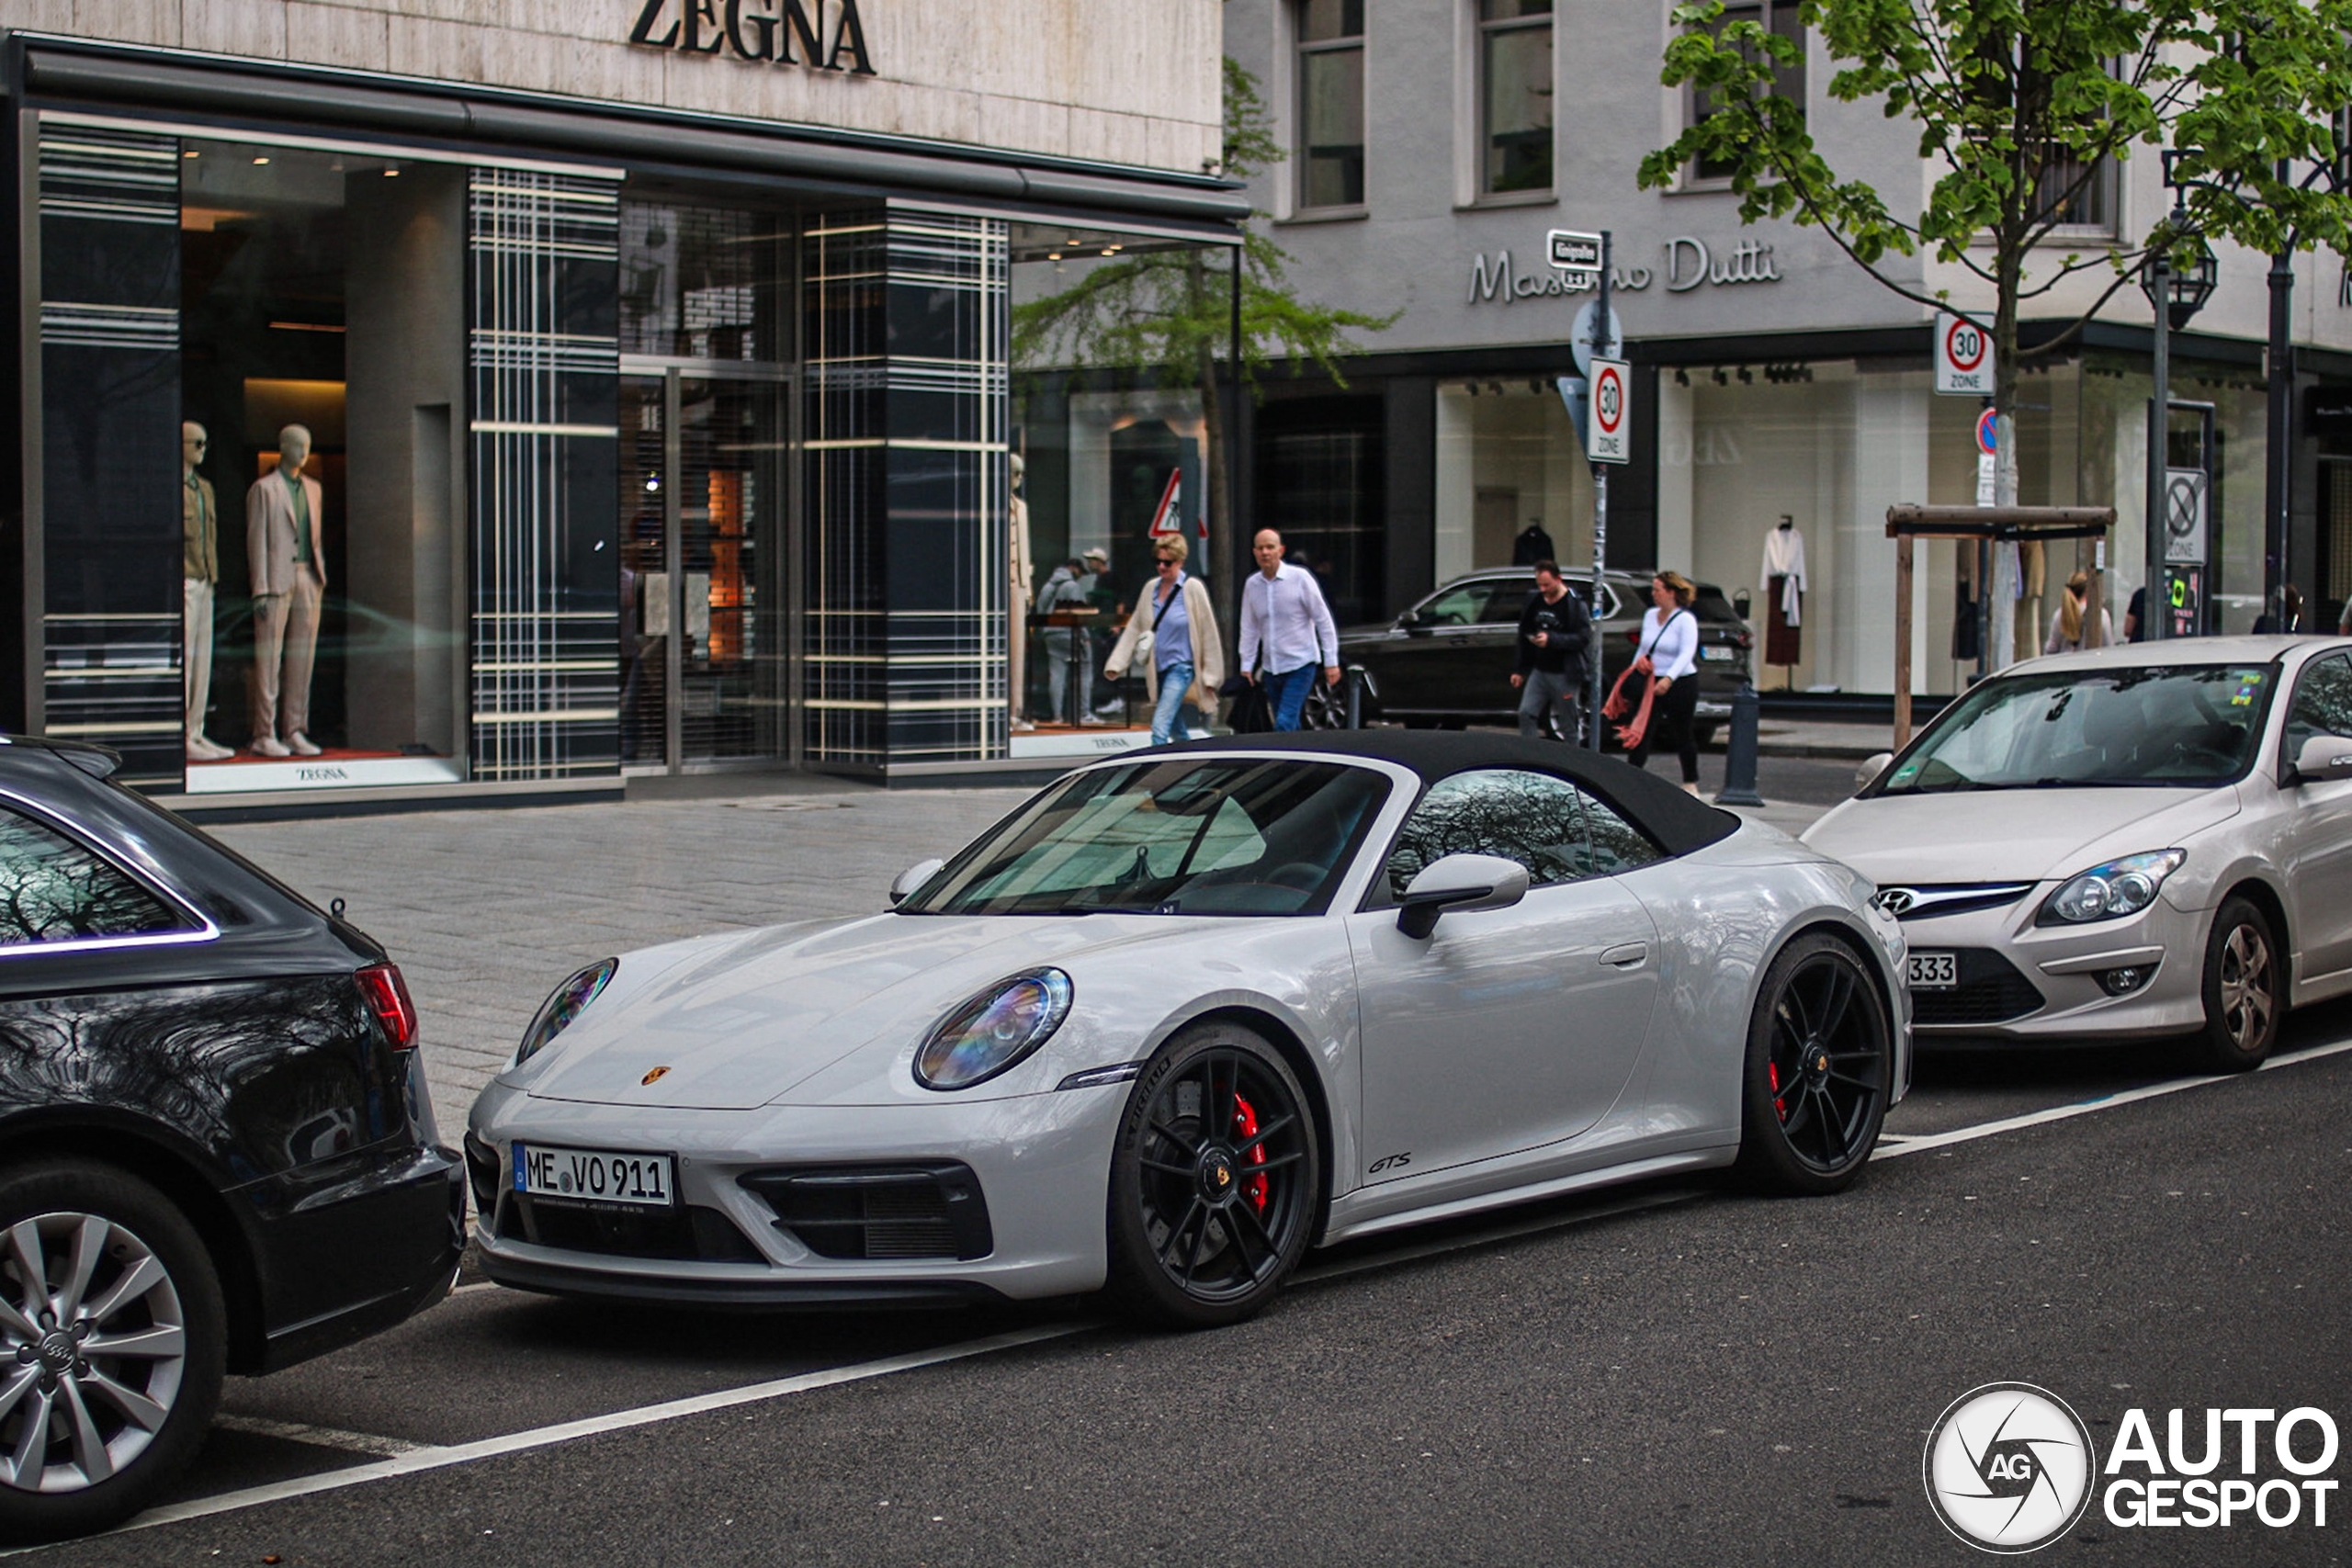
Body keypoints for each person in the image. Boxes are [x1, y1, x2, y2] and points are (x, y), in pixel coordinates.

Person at [1105, 536, 1225, 745]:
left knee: (1159, 728)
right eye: (1158, 561)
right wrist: (1117, 664)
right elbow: (1135, 628)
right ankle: (1194, 765)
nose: (1161, 566)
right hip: (1157, 669)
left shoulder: (1192, 588)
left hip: (1181, 668)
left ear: (1180, 561)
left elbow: (1208, 631)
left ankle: (1155, 772)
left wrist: (1211, 677)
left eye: (1167, 562)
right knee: (1177, 732)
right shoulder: (1150, 588)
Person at [1239, 528, 1341, 731]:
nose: (1265, 552)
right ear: (1254, 552)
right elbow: (1249, 627)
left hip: (1300, 664)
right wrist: (1247, 663)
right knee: (1288, 723)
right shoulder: (1252, 584)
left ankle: (1285, 759)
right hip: (1271, 667)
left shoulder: (1300, 579)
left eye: (1270, 547)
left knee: (1284, 722)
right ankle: (1297, 758)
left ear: (1281, 550)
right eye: (1260, 548)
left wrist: (1331, 661)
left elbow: (1323, 619)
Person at [1629, 570, 1702, 794]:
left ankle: (1690, 781)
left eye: (1657, 590)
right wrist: (1634, 670)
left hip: (1680, 680)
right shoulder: (1650, 615)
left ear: (1671, 592)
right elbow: (1643, 647)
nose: (1654, 594)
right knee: (1641, 730)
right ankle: (1631, 777)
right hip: (1652, 678)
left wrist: (1669, 678)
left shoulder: (1685, 620)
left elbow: (1686, 652)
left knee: (1682, 731)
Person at [1510, 559, 1591, 742]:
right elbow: (1524, 632)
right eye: (1540, 585)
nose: (1543, 589)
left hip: (1564, 673)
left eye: (1547, 585)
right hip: (1540, 670)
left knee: (1568, 722)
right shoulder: (1535, 599)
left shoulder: (1574, 605)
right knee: (1526, 712)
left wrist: (1552, 639)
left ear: (1559, 579)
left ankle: (1572, 759)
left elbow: (1583, 638)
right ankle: (1532, 753)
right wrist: (1520, 669)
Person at [1034, 553, 1098, 724]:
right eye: (1081, 572)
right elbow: (1078, 614)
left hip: (1051, 633)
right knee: (1085, 669)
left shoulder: (1048, 586)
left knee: (1057, 675)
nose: (1081, 575)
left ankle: (1057, 716)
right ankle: (1084, 714)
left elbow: (1040, 610)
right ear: (1074, 568)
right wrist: (1085, 636)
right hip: (1070, 632)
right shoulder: (1071, 586)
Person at [2043, 570, 2115, 653]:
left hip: (2065, 664)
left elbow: (2051, 649)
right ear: (2088, 591)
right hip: (2091, 663)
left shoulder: (2060, 614)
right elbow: (2109, 647)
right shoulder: (2101, 615)